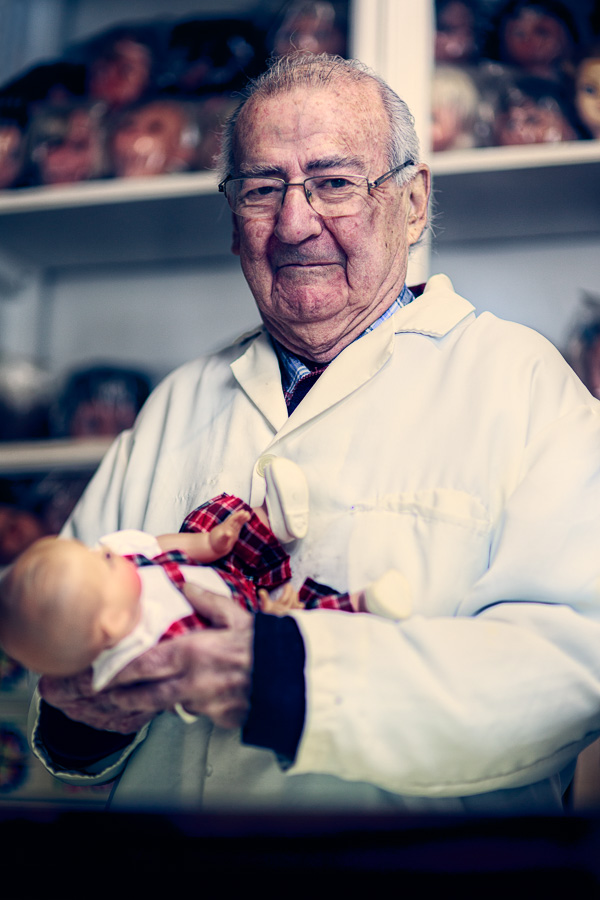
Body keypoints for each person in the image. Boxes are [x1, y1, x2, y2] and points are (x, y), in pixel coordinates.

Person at [30, 52, 600, 814]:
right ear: (234, 222)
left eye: (334, 183)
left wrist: (283, 679)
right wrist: (85, 717)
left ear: (413, 202)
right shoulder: (177, 404)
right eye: (263, 190)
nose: (296, 223)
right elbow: (62, 674)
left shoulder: (516, 381)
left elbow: (568, 674)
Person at [2, 463, 403, 688]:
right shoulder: (139, 656)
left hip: (224, 567)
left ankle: (271, 517)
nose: (106, 551)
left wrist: (209, 545)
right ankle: (365, 603)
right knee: (302, 628)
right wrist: (268, 628)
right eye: (103, 563)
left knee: (208, 520)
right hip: (250, 621)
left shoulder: (119, 559)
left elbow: (161, 545)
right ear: (111, 621)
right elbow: (222, 664)